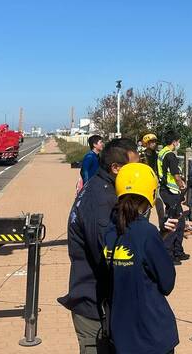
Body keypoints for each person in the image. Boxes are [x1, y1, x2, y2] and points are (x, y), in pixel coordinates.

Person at [59, 138, 140, 353]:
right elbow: (110, 258)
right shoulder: (102, 201)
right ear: (115, 168)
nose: (138, 173)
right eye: (133, 168)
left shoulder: (98, 187)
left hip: (101, 305)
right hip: (94, 311)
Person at [101, 163, 179, 354]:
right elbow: (167, 283)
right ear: (150, 194)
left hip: (121, 333)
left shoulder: (108, 231)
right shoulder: (146, 231)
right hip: (151, 333)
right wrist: (162, 245)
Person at [156, 131, 188, 264]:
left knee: (179, 221)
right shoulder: (171, 156)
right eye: (178, 141)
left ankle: (178, 251)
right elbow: (175, 175)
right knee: (175, 222)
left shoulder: (162, 153)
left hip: (165, 190)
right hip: (171, 191)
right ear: (174, 142)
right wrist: (182, 186)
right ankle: (169, 253)